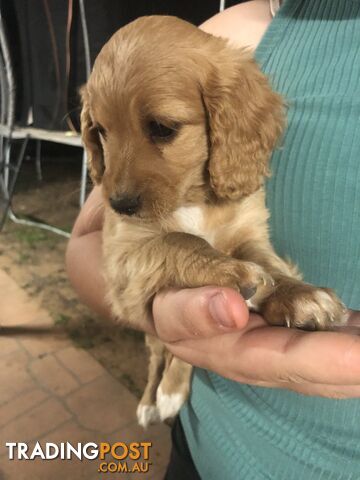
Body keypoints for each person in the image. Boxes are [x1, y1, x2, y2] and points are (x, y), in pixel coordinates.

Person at [66, 0, 360, 478]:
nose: (117, 185)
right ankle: (157, 379)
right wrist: (165, 322)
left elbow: (251, 254)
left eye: (161, 129)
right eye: (103, 132)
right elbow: (88, 246)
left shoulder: (228, 77)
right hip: (201, 449)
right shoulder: (237, 28)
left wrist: (276, 289)